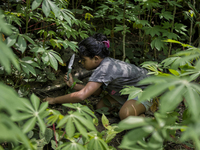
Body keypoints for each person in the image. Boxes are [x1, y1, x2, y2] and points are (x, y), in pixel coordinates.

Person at [44, 33, 152, 120]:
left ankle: (144, 118)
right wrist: (73, 85)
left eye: (84, 60)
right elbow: (96, 92)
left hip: (146, 90)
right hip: (128, 92)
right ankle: (134, 110)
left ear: (96, 58)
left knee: (125, 114)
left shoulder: (105, 68)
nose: (81, 62)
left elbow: (82, 96)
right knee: (101, 106)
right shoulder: (104, 65)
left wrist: (54, 100)